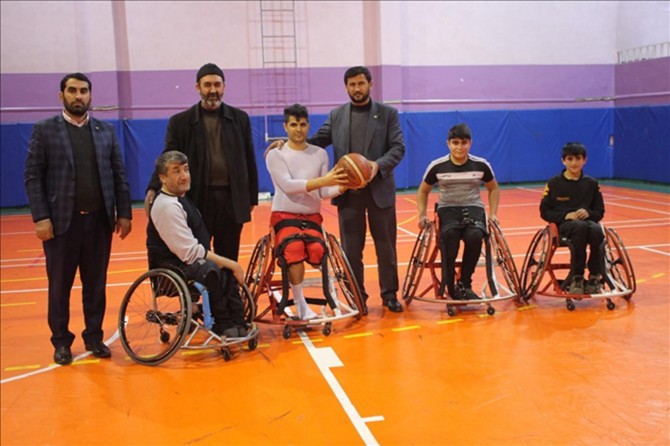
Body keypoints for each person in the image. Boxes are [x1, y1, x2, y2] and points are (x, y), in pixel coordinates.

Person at [266, 66, 406, 312]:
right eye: (352, 84)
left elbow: (398, 148)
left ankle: (389, 294)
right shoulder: (337, 115)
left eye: (361, 83)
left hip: (379, 191)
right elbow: (314, 141)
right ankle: (356, 296)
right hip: (348, 193)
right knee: (351, 250)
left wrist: (376, 165)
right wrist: (285, 144)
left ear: (370, 84)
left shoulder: (388, 114)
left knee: (386, 247)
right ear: (346, 87)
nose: (357, 88)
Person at [24, 72, 133, 365]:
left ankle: (94, 337)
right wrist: (41, 217)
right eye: (72, 91)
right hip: (61, 224)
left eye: (83, 91)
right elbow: (33, 177)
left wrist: (124, 212)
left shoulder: (105, 131)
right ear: (62, 95)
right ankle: (61, 342)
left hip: (98, 222)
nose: (78, 96)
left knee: (95, 285)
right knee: (59, 287)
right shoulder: (45, 130)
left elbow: (119, 175)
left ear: (90, 95)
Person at [144, 63, 258, 261]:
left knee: (229, 256)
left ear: (224, 87)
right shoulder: (181, 122)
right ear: (198, 87)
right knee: (199, 258)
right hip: (197, 198)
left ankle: (227, 283)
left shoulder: (240, 118)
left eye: (217, 85)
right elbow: (168, 156)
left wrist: (251, 198)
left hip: (231, 200)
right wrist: (154, 187)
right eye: (207, 85)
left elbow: (249, 158)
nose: (213, 90)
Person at [147, 151, 248, 337]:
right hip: (171, 269)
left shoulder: (181, 199)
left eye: (186, 170)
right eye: (176, 171)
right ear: (162, 178)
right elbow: (189, 253)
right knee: (213, 269)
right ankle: (223, 324)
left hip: (184, 264)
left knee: (222, 269)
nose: (184, 176)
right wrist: (231, 263)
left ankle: (237, 320)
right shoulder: (167, 206)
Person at [265, 104, 350, 320]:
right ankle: (301, 305)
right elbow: (288, 186)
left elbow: (323, 192)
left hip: (312, 217)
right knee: (293, 249)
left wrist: (343, 186)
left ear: (308, 126)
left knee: (318, 251)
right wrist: (324, 180)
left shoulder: (319, 154)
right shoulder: (276, 154)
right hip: (284, 216)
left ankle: (331, 297)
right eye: (293, 125)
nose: (298, 129)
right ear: (285, 127)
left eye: (302, 124)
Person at [416, 123, 499, 301]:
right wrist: (422, 215)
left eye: (464, 143)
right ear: (448, 144)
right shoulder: (437, 166)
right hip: (448, 209)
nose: (459, 147)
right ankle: (449, 284)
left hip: (473, 207)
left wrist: (493, 214)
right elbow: (423, 191)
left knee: (475, 236)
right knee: (450, 237)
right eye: (455, 143)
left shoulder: (481, 165)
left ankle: (464, 284)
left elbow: (493, 188)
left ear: (470, 143)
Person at [540, 142, 605, 294]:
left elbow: (599, 212)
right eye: (570, 159)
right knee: (579, 227)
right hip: (564, 227)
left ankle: (594, 275)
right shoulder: (554, 183)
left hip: (587, 224)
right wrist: (565, 216)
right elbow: (544, 212)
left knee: (596, 230)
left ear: (584, 160)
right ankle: (577, 277)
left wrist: (589, 213)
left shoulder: (592, 184)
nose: (574, 163)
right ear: (563, 161)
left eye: (578, 158)